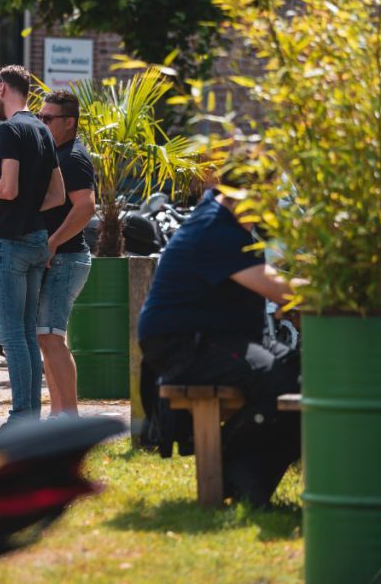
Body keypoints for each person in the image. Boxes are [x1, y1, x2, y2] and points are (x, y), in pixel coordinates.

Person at [137, 148, 302, 506]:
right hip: (181, 341)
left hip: (219, 335)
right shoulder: (216, 227)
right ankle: (231, 476)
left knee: (300, 374)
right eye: (272, 195)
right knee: (277, 379)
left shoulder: (236, 223)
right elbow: (278, 287)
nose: (276, 204)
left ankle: (246, 482)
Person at [0, 65, 65, 430]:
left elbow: (7, 187)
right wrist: (20, 206)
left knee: (11, 335)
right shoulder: (43, 130)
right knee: (27, 334)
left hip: (10, 245)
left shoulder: (9, 130)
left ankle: (20, 420)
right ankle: (30, 420)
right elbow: (56, 195)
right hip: (38, 241)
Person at [36, 90, 96, 416]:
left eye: (48, 118)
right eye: (39, 117)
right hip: (60, 258)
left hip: (67, 258)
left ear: (68, 122)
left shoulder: (72, 156)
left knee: (51, 338)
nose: (42, 123)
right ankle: (58, 415)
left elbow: (86, 206)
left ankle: (68, 418)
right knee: (48, 338)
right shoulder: (58, 153)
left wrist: (54, 241)